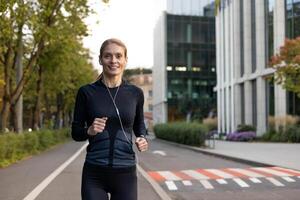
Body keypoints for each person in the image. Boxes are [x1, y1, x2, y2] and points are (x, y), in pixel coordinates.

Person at [71, 38, 149, 200]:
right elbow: (76, 133)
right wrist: (90, 130)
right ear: (100, 59)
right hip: (94, 173)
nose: (113, 60)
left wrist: (142, 137)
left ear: (125, 60)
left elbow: (139, 124)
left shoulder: (135, 93)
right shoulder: (86, 92)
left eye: (118, 56)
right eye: (108, 56)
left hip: (125, 172)